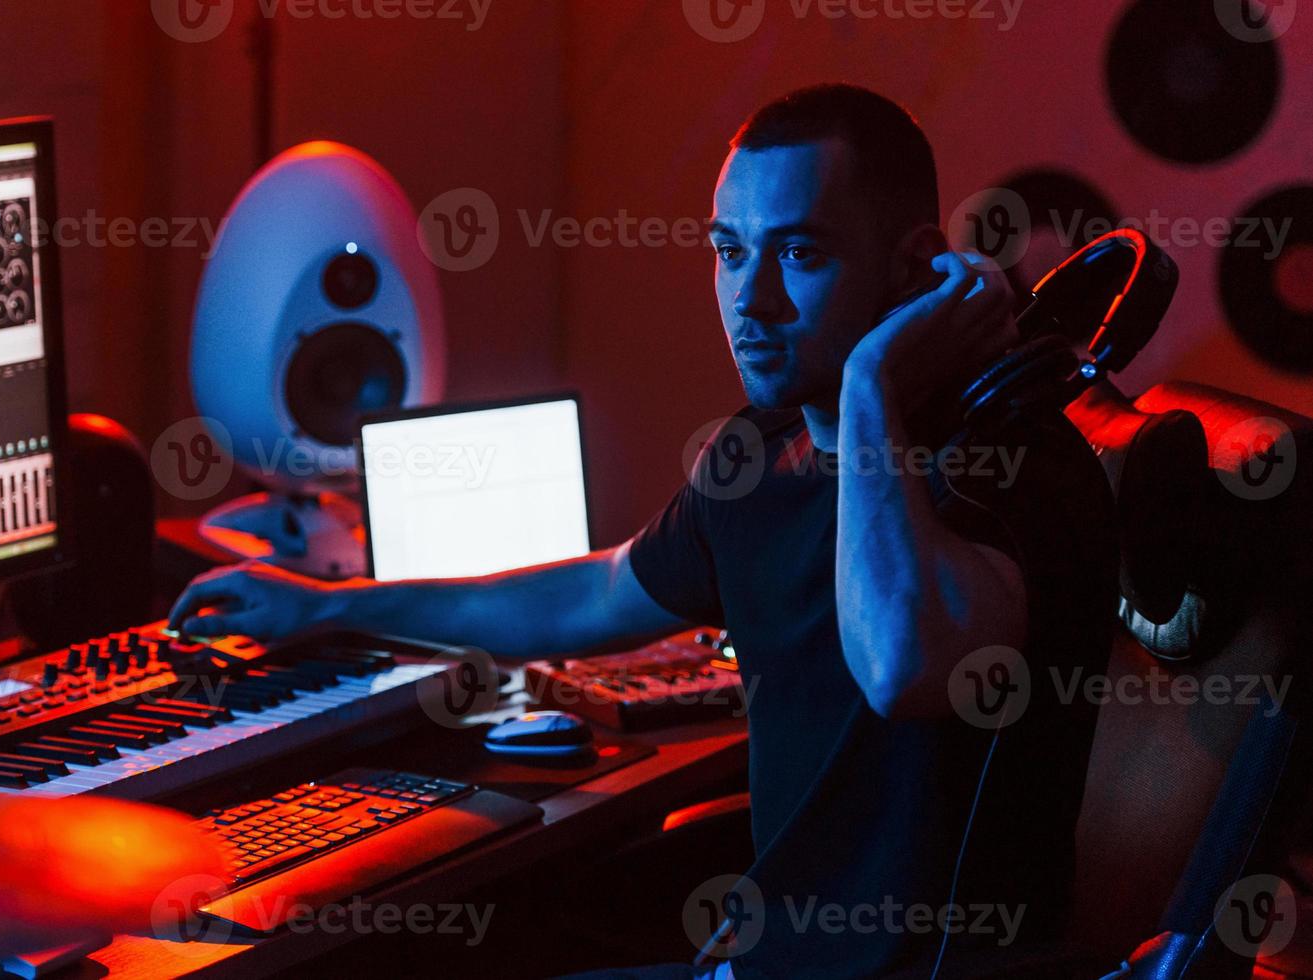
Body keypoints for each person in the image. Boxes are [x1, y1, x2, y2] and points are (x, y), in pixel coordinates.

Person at [169, 84, 1118, 978]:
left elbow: (902, 663)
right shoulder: (760, 459)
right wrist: (331, 606)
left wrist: (871, 389)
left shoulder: (1013, 467)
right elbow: (594, 593)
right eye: (729, 250)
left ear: (914, 266)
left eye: (800, 254)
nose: (750, 303)